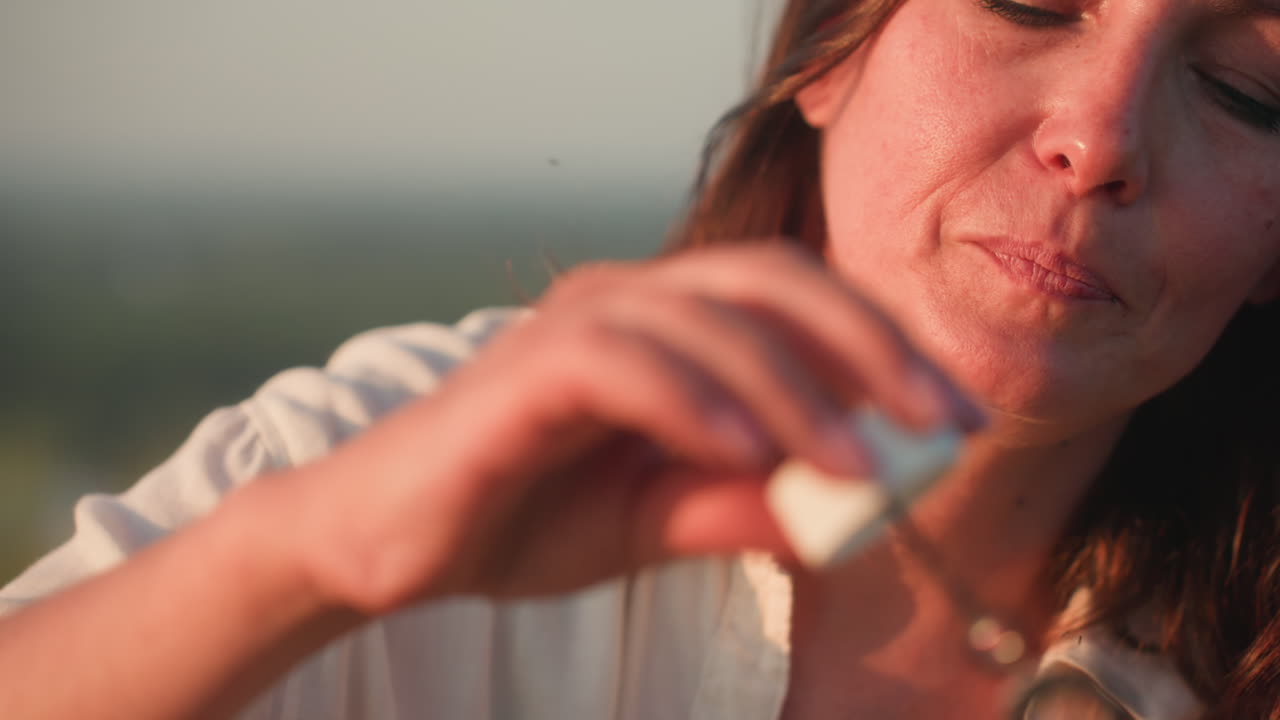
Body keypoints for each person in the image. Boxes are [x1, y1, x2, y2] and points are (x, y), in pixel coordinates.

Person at [1, 0, 1278, 717]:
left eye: (1243, 88)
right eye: (1031, 1)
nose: (1100, 137)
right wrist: (312, 561)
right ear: (829, 51)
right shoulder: (387, 452)